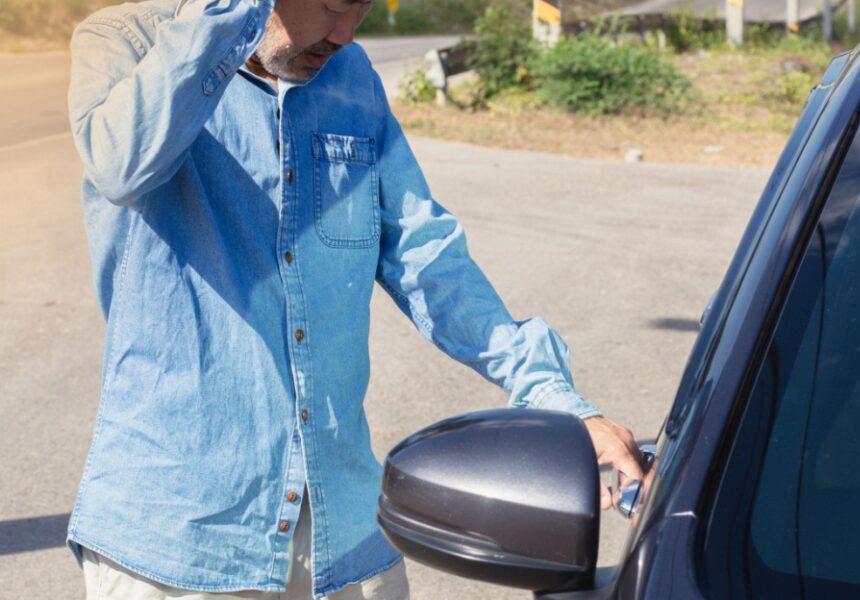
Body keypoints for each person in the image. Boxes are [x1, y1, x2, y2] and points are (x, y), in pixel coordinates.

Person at [65, 0, 644, 598]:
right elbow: (121, 167)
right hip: (179, 542)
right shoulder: (127, 42)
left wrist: (553, 398)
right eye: (333, 5)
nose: (344, 33)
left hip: (341, 532)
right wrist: (227, 19)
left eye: (363, 7)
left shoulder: (351, 78)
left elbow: (428, 258)